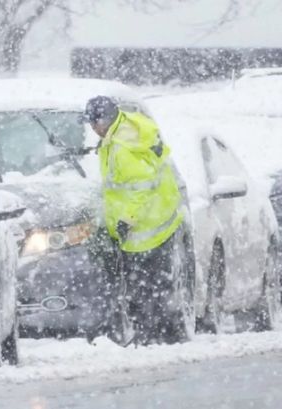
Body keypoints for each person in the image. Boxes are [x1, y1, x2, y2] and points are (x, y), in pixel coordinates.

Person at [83, 96, 190, 346]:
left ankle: (150, 336)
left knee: (143, 287)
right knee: (156, 283)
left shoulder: (122, 148)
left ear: (103, 122)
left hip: (147, 227)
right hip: (161, 216)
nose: (92, 129)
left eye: (93, 123)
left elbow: (140, 187)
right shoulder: (127, 129)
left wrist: (126, 219)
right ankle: (160, 334)